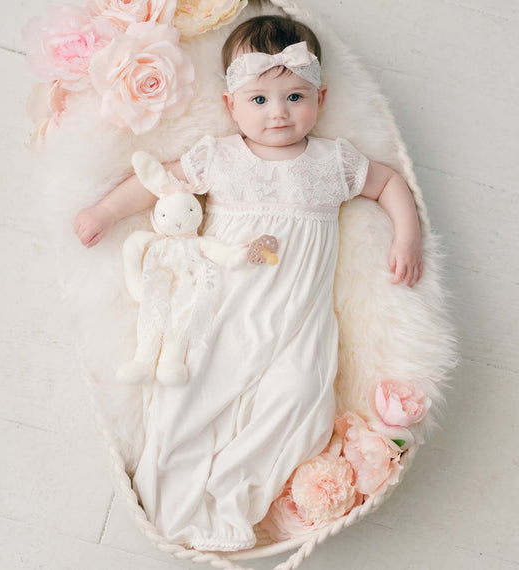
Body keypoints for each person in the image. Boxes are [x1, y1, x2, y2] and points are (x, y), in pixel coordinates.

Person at [73, 14, 423, 552]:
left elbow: (390, 182)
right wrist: (103, 210)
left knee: (304, 402)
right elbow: (156, 183)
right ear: (229, 106)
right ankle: (176, 499)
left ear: (321, 98)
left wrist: (406, 238)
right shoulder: (221, 157)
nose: (278, 113)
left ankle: (233, 495)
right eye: (259, 99)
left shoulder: (334, 162)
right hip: (224, 310)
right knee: (188, 398)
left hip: (299, 322)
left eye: (294, 96)